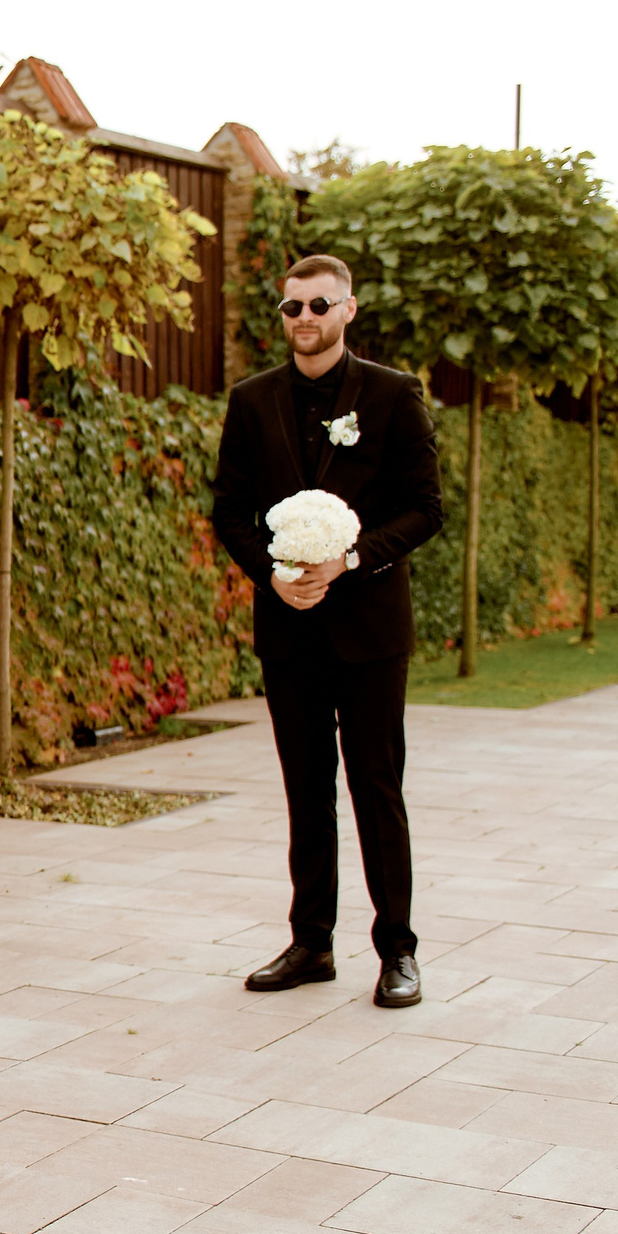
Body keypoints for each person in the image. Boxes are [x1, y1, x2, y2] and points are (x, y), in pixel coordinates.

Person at [210, 255, 444, 1009]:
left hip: (371, 629)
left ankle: (398, 951)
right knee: (305, 789)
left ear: (348, 309)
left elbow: (424, 508)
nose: (303, 318)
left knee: (377, 787)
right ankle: (311, 941)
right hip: (290, 628)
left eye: (318, 304)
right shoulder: (252, 402)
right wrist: (270, 575)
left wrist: (348, 559)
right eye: (290, 307)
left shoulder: (392, 393)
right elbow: (229, 512)